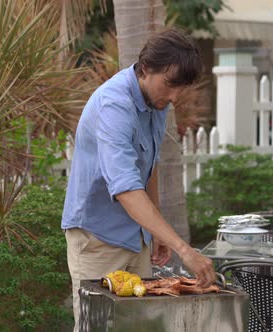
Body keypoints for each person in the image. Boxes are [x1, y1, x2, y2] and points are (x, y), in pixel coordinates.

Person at [61, 28, 216, 330]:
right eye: (169, 85)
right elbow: (126, 188)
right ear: (146, 68)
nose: (173, 97)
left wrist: (155, 230)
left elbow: (148, 164)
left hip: (136, 238)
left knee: (140, 326)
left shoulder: (156, 100)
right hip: (98, 240)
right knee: (99, 327)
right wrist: (185, 250)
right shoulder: (114, 105)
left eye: (179, 89)